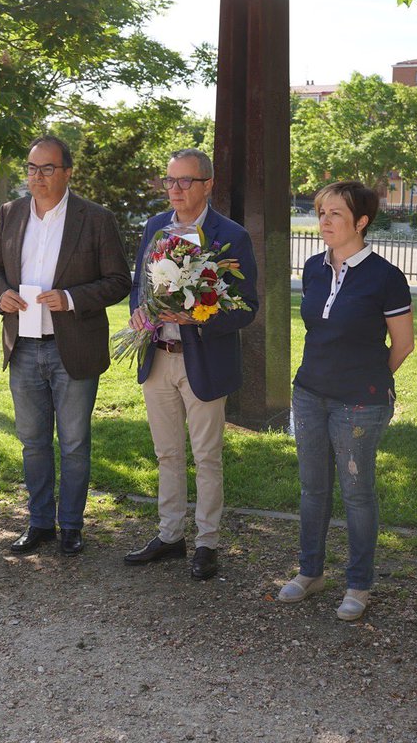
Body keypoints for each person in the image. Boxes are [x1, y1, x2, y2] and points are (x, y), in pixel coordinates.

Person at [0, 135, 131, 556]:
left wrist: (69, 299)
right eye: (32, 168)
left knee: (74, 443)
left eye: (48, 169)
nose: (38, 177)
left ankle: (71, 526)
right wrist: (1, 295)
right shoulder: (10, 213)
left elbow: (120, 280)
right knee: (32, 442)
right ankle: (39, 522)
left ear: (67, 172)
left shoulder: (95, 218)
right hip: (24, 346)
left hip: (73, 347)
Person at [276, 180, 414, 621]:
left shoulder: (386, 277)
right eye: (321, 213)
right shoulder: (314, 268)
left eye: (335, 213)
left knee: (357, 493)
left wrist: (368, 380)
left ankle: (358, 584)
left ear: (361, 221)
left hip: (360, 402)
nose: (325, 221)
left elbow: (403, 344)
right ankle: (310, 572)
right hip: (309, 394)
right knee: (313, 489)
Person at [122, 149, 259, 580]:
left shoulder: (230, 235)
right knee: (166, 453)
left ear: (208, 185)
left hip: (204, 359)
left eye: (185, 182)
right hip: (158, 356)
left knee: (206, 456)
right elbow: (138, 285)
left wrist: (200, 315)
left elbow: (248, 308)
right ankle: (169, 535)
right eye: (170, 181)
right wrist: (141, 314)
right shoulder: (155, 226)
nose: (175, 190)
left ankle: (207, 542)